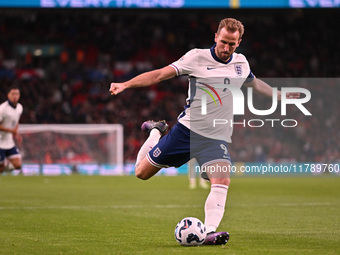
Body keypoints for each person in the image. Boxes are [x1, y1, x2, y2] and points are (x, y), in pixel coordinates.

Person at [109, 18, 299, 245]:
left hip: (215, 137)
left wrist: (279, 95)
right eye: (224, 42)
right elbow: (159, 74)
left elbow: (254, 83)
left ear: (239, 42)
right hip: (186, 132)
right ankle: (156, 132)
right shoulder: (196, 57)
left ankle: (208, 232)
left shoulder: (241, 63)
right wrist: (126, 84)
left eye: (232, 44)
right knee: (141, 173)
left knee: (222, 180)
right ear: (216, 37)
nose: (227, 48)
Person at [0, 86, 23, 175]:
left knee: (18, 165)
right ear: (8, 95)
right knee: (1, 168)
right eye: (13, 94)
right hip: (0, 142)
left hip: (9, 142)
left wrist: (16, 133)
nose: (15, 96)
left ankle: (3, 167)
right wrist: (11, 131)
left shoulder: (20, 107)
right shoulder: (2, 108)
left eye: (17, 94)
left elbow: (17, 121)